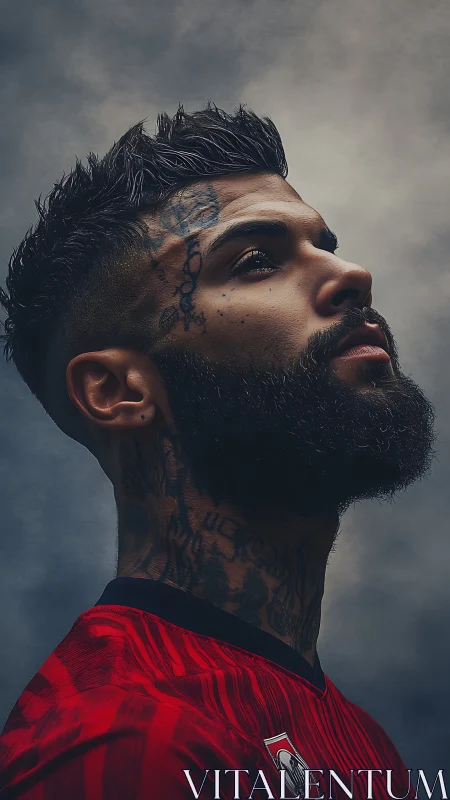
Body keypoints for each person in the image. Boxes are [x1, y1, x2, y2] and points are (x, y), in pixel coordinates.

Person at [0, 104, 435, 799]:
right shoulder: (121, 742)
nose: (353, 273)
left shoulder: (355, 732)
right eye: (257, 261)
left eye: (326, 243)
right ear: (115, 389)